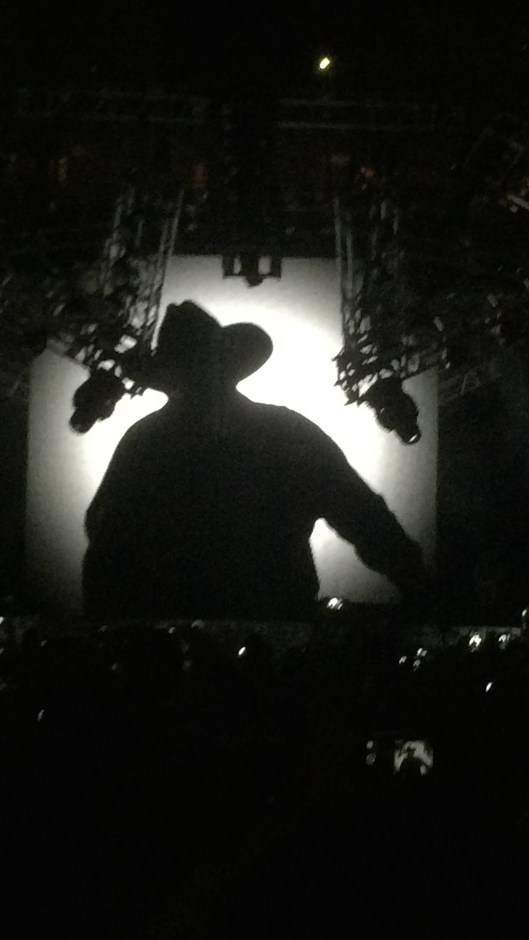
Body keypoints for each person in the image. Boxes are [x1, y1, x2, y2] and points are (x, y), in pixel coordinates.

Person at [83, 301, 432, 622]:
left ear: (170, 378)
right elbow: (364, 515)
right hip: (276, 626)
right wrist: (420, 591)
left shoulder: (145, 442)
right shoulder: (287, 432)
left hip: (171, 633)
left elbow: (105, 544)